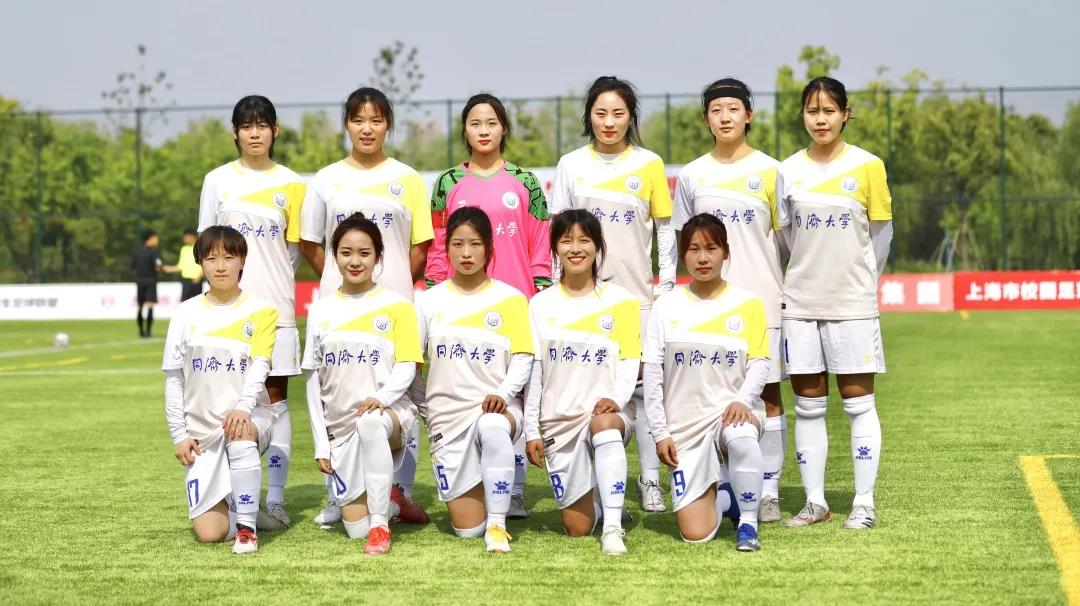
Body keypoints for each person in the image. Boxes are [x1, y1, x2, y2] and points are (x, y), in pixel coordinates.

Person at [300, 87, 434, 527]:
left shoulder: (408, 178)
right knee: (337, 393)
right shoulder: (326, 179)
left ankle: (401, 492)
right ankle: (339, 493)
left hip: (393, 309)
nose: (367, 128)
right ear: (347, 125)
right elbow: (311, 243)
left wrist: (387, 286)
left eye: (376, 120)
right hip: (341, 307)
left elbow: (420, 246)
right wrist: (344, 279)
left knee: (401, 394)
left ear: (388, 125)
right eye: (359, 120)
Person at [549, 76, 674, 513]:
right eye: (600, 113)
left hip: (637, 297)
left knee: (642, 389)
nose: (609, 122)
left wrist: (666, 285)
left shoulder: (649, 164)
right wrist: (557, 285)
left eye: (618, 113)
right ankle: (591, 477)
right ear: (588, 116)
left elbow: (664, 230)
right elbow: (558, 232)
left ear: (630, 117)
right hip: (583, 297)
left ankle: (650, 479)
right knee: (588, 387)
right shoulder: (570, 165)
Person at [424, 92, 551, 518]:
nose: (483, 130)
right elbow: (438, 247)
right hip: (460, 308)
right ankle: (472, 478)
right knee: (469, 395)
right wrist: (434, 293)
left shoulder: (525, 182)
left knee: (513, 396)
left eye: (491, 122)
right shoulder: (447, 183)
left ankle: (514, 489)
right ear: (464, 130)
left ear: (504, 129)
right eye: (475, 123)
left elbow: (540, 245)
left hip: (514, 304)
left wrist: (539, 295)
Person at [777, 77, 892, 530]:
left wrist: (860, 282)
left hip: (852, 304)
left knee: (859, 404)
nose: (820, 120)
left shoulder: (868, 166)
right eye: (812, 111)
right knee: (808, 406)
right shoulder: (788, 170)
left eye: (828, 111)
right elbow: (786, 239)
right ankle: (814, 502)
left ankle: (863, 502)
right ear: (802, 116)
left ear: (846, 113)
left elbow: (881, 236)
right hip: (800, 303)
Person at [671, 78, 787, 522]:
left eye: (733, 109)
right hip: (704, 306)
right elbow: (682, 238)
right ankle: (722, 486)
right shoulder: (693, 175)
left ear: (749, 115)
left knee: (768, 395)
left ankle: (768, 491)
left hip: (760, 300)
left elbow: (784, 240)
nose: (725, 117)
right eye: (716, 110)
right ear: (706, 119)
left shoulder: (773, 171)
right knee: (708, 394)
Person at [198, 95, 307, 529]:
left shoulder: (293, 184)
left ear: (275, 131)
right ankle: (232, 494)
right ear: (236, 133)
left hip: (274, 308)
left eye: (263, 125)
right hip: (226, 314)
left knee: (275, 403)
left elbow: (292, 252)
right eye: (247, 126)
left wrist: (267, 283)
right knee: (228, 401)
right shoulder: (217, 180)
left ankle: (275, 499)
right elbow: (207, 245)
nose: (255, 133)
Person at [644, 213, 768, 552]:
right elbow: (652, 375)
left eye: (711, 248)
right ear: (682, 255)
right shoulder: (665, 307)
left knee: (741, 434)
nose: (702, 258)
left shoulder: (748, 305)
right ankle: (726, 498)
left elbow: (760, 362)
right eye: (694, 249)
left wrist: (742, 400)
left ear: (726, 252)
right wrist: (661, 433)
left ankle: (748, 523)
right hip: (684, 429)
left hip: (731, 413)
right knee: (695, 534)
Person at [302, 213, 423, 555]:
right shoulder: (320, 311)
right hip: (341, 428)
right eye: (346, 252)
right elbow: (312, 379)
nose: (355, 261)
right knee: (354, 529)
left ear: (378, 256)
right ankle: (393, 504)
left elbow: (407, 366)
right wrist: (321, 444)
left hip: (390, 415)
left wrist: (381, 398)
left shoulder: (398, 307)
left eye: (364, 253)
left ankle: (380, 526)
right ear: (334, 256)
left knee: (370, 422)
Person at [416, 207, 535, 552]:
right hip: (447, 421)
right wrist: (428, 411)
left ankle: (498, 525)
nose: (466, 253)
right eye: (458, 244)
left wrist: (504, 393)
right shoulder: (428, 302)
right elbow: (412, 367)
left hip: (497, 409)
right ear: (446, 248)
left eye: (475, 244)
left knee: (492, 424)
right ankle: (488, 497)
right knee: (467, 530)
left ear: (489, 248)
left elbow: (523, 357)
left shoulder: (511, 299)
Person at [524, 209, 640, 556]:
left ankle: (613, 528)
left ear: (598, 246)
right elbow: (535, 372)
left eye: (584, 240)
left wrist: (616, 399)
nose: (575, 249)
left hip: (605, 413)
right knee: (577, 528)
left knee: (604, 426)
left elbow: (629, 361)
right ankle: (603, 504)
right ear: (555, 249)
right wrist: (531, 430)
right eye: (566, 241)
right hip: (558, 421)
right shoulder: (539, 305)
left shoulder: (621, 301)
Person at [162, 225, 278, 554]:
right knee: (209, 534)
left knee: (239, 431)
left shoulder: (262, 311)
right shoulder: (184, 313)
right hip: (202, 433)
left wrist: (243, 407)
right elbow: (174, 378)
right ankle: (245, 506)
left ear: (242, 261)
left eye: (229, 257)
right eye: (211, 258)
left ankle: (247, 530)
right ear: (200, 263)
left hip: (250, 417)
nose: (221, 266)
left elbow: (260, 366)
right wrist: (179, 434)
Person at [132, 230, 168, 337]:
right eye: (156, 238)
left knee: (140, 306)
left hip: (139, 280)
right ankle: (148, 331)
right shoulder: (155, 252)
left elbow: (132, 266)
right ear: (151, 238)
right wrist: (163, 270)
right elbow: (158, 266)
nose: (157, 241)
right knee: (150, 305)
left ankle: (141, 331)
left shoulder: (136, 252)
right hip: (151, 280)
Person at [176, 229, 204, 301]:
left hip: (197, 279)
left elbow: (204, 264)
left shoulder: (201, 248)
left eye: (186, 237)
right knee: (184, 301)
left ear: (192, 237)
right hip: (186, 280)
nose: (184, 239)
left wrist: (200, 276)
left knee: (197, 301)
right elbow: (180, 266)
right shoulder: (184, 249)